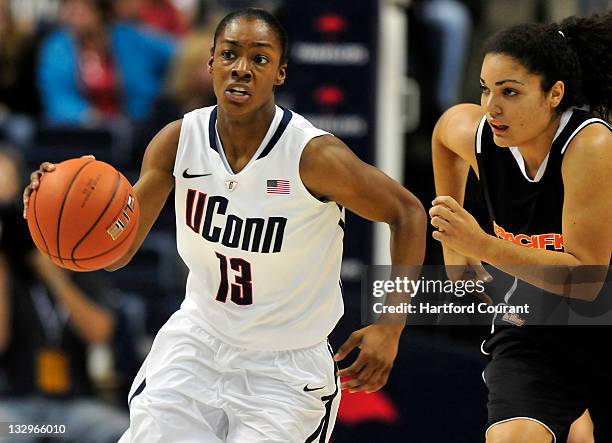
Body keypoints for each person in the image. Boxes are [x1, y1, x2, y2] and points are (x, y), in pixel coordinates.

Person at [24, 8, 427, 442]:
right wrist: (55, 217)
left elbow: (407, 214)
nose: (242, 69)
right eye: (230, 54)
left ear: (280, 73)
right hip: (197, 344)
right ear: (211, 62)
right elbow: (117, 252)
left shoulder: (314, 157)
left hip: (285, 365)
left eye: (259, 59)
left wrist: (390, 326)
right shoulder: (177, 142)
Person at [430, 11, 611, 443]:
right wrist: (456, 253)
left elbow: (585, 278)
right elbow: (442, 134)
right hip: (534, 329)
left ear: (555, 94)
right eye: (486, 90)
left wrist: (480, 243)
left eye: (510, 92)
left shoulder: (591, 146)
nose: (492, 107)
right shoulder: (482, 136)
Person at [0, 147, 129, 443]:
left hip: (74, 405)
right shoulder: (5, 267)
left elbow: (100, 332)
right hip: (15, 406)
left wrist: (52, 275)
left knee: (125, 432)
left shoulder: (73, 254)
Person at [37, 0, 175, 125]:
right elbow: (59, 99)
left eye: (83, 5)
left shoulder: (129, 39)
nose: (73, 11)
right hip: (81, 132)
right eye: (68, 5)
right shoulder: (57, 47)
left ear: (101, 10)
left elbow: (182, 55)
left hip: (136, 129)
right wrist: (91, 118)